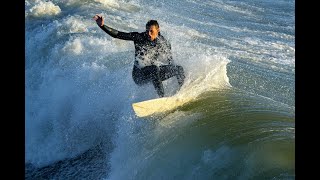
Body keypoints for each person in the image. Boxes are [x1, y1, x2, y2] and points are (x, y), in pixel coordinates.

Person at [93, 14, 185, 97]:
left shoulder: (162, 42)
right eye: (147, 31)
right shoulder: (139, 37)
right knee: (154, 68)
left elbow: (170, 60)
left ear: (158, 30)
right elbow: (118, 34)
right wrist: (102, 26)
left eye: (151, 31)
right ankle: (162, 98)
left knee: (178, 69)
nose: (149, 34)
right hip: (139, 75)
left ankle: (182, 92)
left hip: (153, 73)